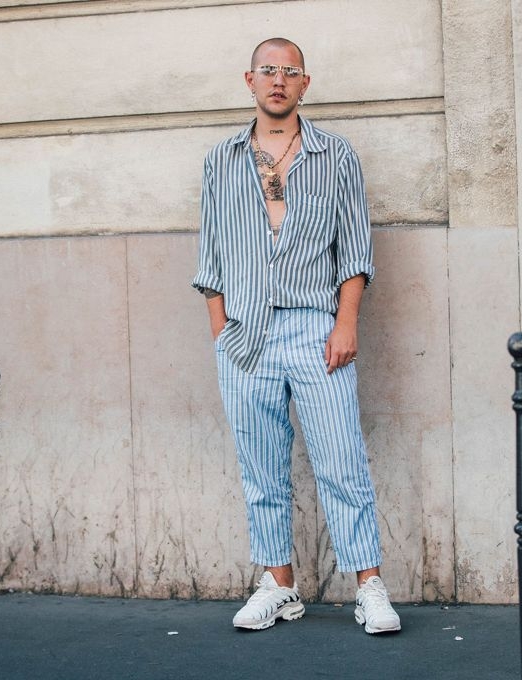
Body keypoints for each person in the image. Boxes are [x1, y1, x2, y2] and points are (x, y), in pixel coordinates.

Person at [192, 37, 400, 635]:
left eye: (290, 71)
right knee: (261, 467)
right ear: (249, 81)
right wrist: (221, 329)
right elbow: (210, 256)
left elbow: (355, 250)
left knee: (342, 462)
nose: (278, 80)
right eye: (268, 70)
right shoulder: (222, 160)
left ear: (305, 83)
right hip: (245, 334)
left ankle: (369, 585)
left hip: (315, 328)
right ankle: (278, 585)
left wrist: (346, 322)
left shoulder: (336, 156)